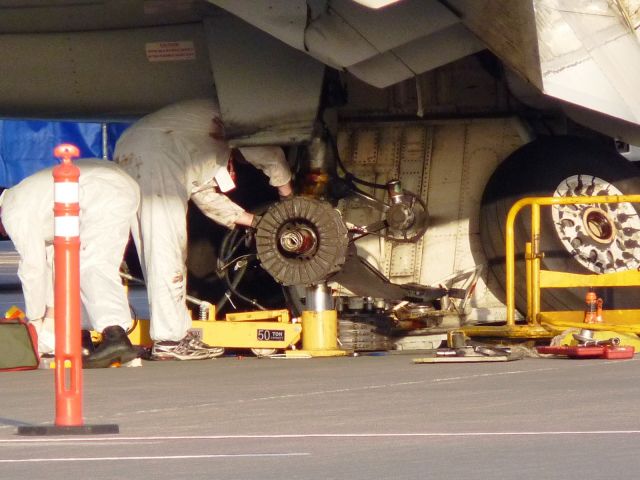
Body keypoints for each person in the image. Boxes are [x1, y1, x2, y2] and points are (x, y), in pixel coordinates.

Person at [114, 98, 293, 360]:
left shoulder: (201, 144)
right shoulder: (237, 115)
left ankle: (175, 334)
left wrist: (257, 223)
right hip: (157, 155)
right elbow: (271, 156)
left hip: (138, 150)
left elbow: (206, 197)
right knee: (166, 249)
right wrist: (289, 200)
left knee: (155, 247)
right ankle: (169, 341)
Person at [0, 159, 141, 368]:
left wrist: (35, 322)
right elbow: (52, 266)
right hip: (112, 184)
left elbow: (32, 267)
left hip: (104, 188)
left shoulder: (13, 210)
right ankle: (82, 338)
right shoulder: (31, 201)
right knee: (73, 263)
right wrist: (49, 317)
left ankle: (116, 336)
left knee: (92, 263)